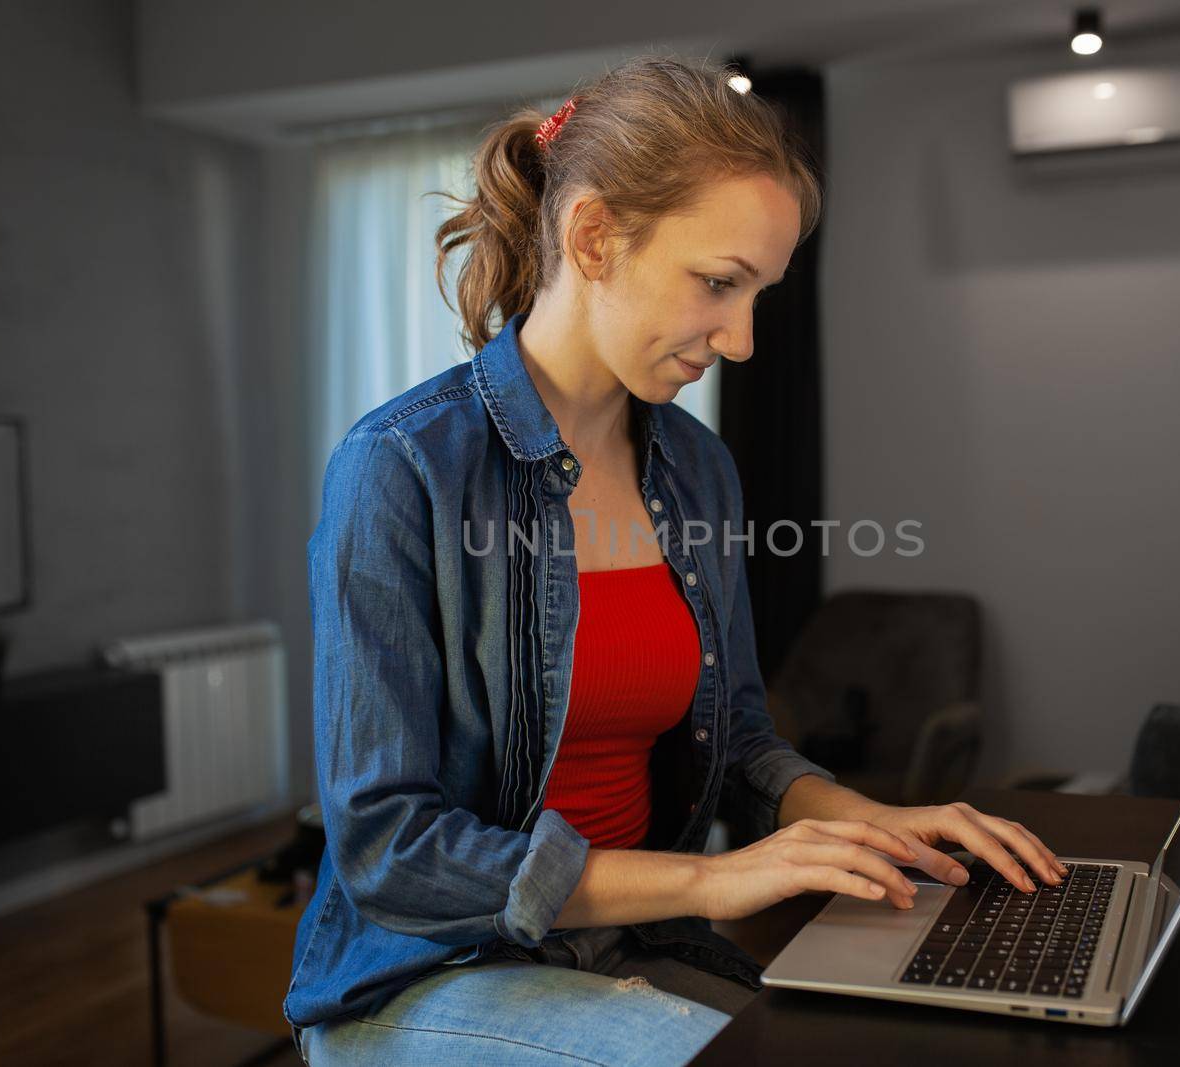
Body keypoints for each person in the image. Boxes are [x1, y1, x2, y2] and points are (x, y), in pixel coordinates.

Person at [286, 54, 1067, 1067]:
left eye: (758, 295)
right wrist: (710, 882)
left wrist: (878, 824)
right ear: (594, 235)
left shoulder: (696, 467)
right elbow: (391, 850)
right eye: (717, 283)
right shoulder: (398, 467)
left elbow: (737, 738)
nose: (740, 340)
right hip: (430, 972)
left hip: (630, 945)